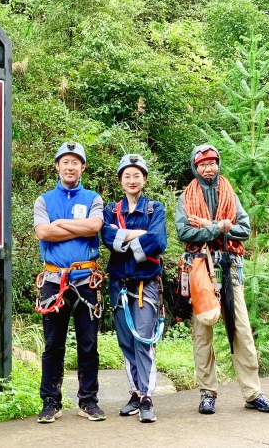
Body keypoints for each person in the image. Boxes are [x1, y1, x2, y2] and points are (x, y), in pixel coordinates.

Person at [175, 144, 269, 414]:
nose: (208, 168)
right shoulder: (186, 196)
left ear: (218, 164)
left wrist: (210, 226)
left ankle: (252, 392)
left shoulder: (230, 193)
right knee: (202, 331)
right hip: (200, 268)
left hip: (228, 266)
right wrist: (219, 227)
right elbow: (184, 232)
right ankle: (207, 392)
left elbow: (244, 229)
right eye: (202, 164)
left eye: (212, 163)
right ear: (195, 167)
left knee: (241, 329)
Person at [33, 141, 106, 423]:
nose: (70, 166)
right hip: (54, 280)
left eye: (75, 162)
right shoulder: (44, 200)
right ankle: (50, 402)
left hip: (86, 279)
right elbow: (43, 233)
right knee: (53, 344)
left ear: (83, 167)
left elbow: (94, 226)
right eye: (65, 161)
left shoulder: (93, 198)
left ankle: (88, 401)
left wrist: (58, 225)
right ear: (57, 166)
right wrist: (79, 228)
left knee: (88, 344)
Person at [101, 154, 167, 423]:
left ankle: (146, 397)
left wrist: (123, 238)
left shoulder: (154, 208)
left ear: (144, 179)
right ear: (120, 180)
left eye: (136, 175)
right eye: (127, 175)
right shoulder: (110, 209)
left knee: (143, 339)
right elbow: (106, 237)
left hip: (145, 284)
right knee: (126, 341)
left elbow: (158, 241)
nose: (132, 180)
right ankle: (135, 392)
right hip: (118, 285)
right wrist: (140, 235)